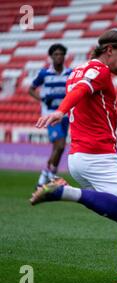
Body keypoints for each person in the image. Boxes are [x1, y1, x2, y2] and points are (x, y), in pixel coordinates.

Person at [29, 30, 117, 283]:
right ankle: (63, 191)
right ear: (109, 50)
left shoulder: (76, 70)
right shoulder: (99, 70)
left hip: (81, 156)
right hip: (98, 155)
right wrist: (61, 111)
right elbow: (83, 90)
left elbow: (83, 90)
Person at [29, 43, 72, 188]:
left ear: (64, 56)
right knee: (59, 146)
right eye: (56, 54)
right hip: (50, 115)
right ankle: (48, 176)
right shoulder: (44, 74)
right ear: (51, 57)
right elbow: (31, 89)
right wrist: (41, 98)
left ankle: (47, 175)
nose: (59, 57)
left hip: (64, 116)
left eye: (61, 54)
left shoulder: (70, 73)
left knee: (58, 148)